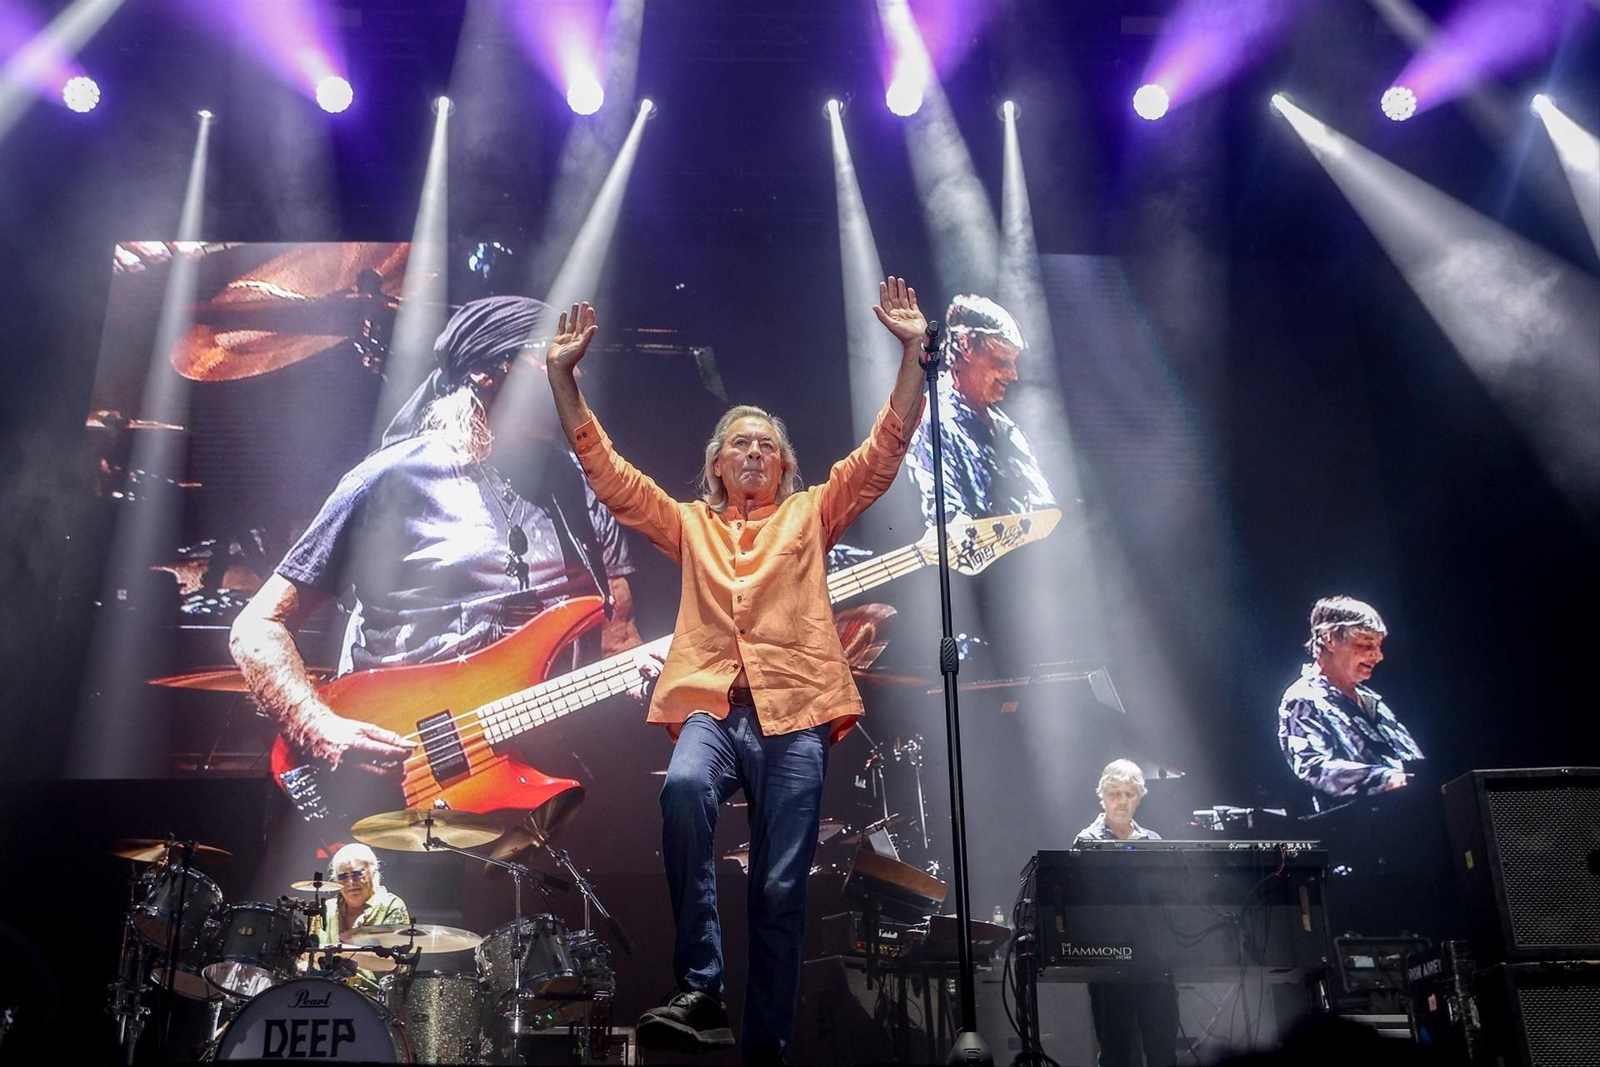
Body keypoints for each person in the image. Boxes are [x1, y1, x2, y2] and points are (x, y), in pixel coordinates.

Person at [544, 277, 930, 1063]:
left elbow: (887, 446)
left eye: (766, 444)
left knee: (780, 892)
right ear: (717, 465)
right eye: (738, 444)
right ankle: (702, 988)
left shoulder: (810, 512)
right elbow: (612, 478)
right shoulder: (688, 524)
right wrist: (564, 380)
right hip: (714, 711)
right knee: (683, 790)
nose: (752, 451)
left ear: (784, 464)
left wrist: (916, 353)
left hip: (797, 715)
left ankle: (767, 1050)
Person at [229, 295, 642, 781]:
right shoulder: (395, 481)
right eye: (553, 356)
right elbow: (257, 626)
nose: (575, 373)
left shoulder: (583, 488)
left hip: (540, 770)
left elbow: (622, 644)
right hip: (403, 772)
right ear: (489, 371)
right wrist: (316, 726)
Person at [904, 293, 1055, 524]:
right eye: (1002, 361)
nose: (1013, 375)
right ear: (966, 346)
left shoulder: (1008, 431)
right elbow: (948, 522)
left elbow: (1044, 510)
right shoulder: (931, 421)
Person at [1074, 759, 1178, 1067]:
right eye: (1115, 793)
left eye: (1129, 793)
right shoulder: (1086, 842)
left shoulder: (1154, 842)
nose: (1122, 800)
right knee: (1116, 1054)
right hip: (1108, 965)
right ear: (1103, 796)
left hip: (1155, 964)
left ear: (1139, 797)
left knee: (1163, 1053)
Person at [1277, 596, 1423, 801]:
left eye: (1379, 646)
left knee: (1486, 793)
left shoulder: (1372, 700)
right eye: (1367, 644)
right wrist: (1387, 780)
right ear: (1330, 639)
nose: (1378, 656)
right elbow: (1315, 767)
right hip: (1362, 827)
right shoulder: (1303, 698)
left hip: (1416, 814)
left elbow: (1413, 761)